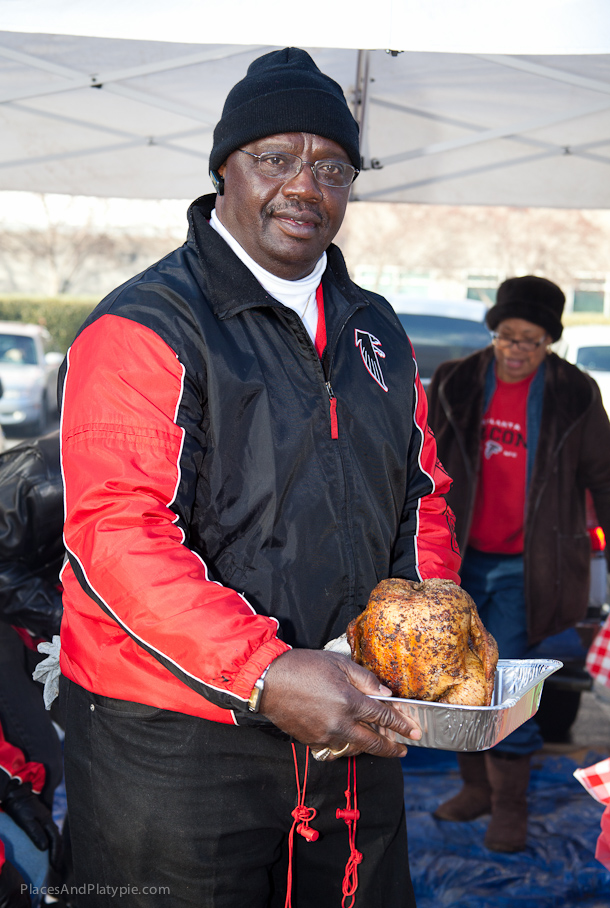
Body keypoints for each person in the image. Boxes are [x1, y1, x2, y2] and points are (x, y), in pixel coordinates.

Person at [58, 47, 460, 908]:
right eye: (275, 159)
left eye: (333, 167)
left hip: (349, 719)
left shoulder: (375, 331)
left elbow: (420, 495)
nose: (306, 188)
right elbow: (117, 531)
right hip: (177, 745)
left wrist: (428, 624)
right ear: (223, 171)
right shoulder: (145, 325)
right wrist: (268, 673)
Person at [427, 275, 610, 853]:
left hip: (530, 564)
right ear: (494, 332)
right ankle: (475, 787)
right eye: (508, 336)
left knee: (503, 679)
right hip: (456, 557)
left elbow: (603, 476)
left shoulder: (574, 393)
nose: (517, 350)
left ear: (549, 341)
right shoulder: (457, 382)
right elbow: (419, 458)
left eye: (531, 340)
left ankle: (511, 805)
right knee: (452, 674)